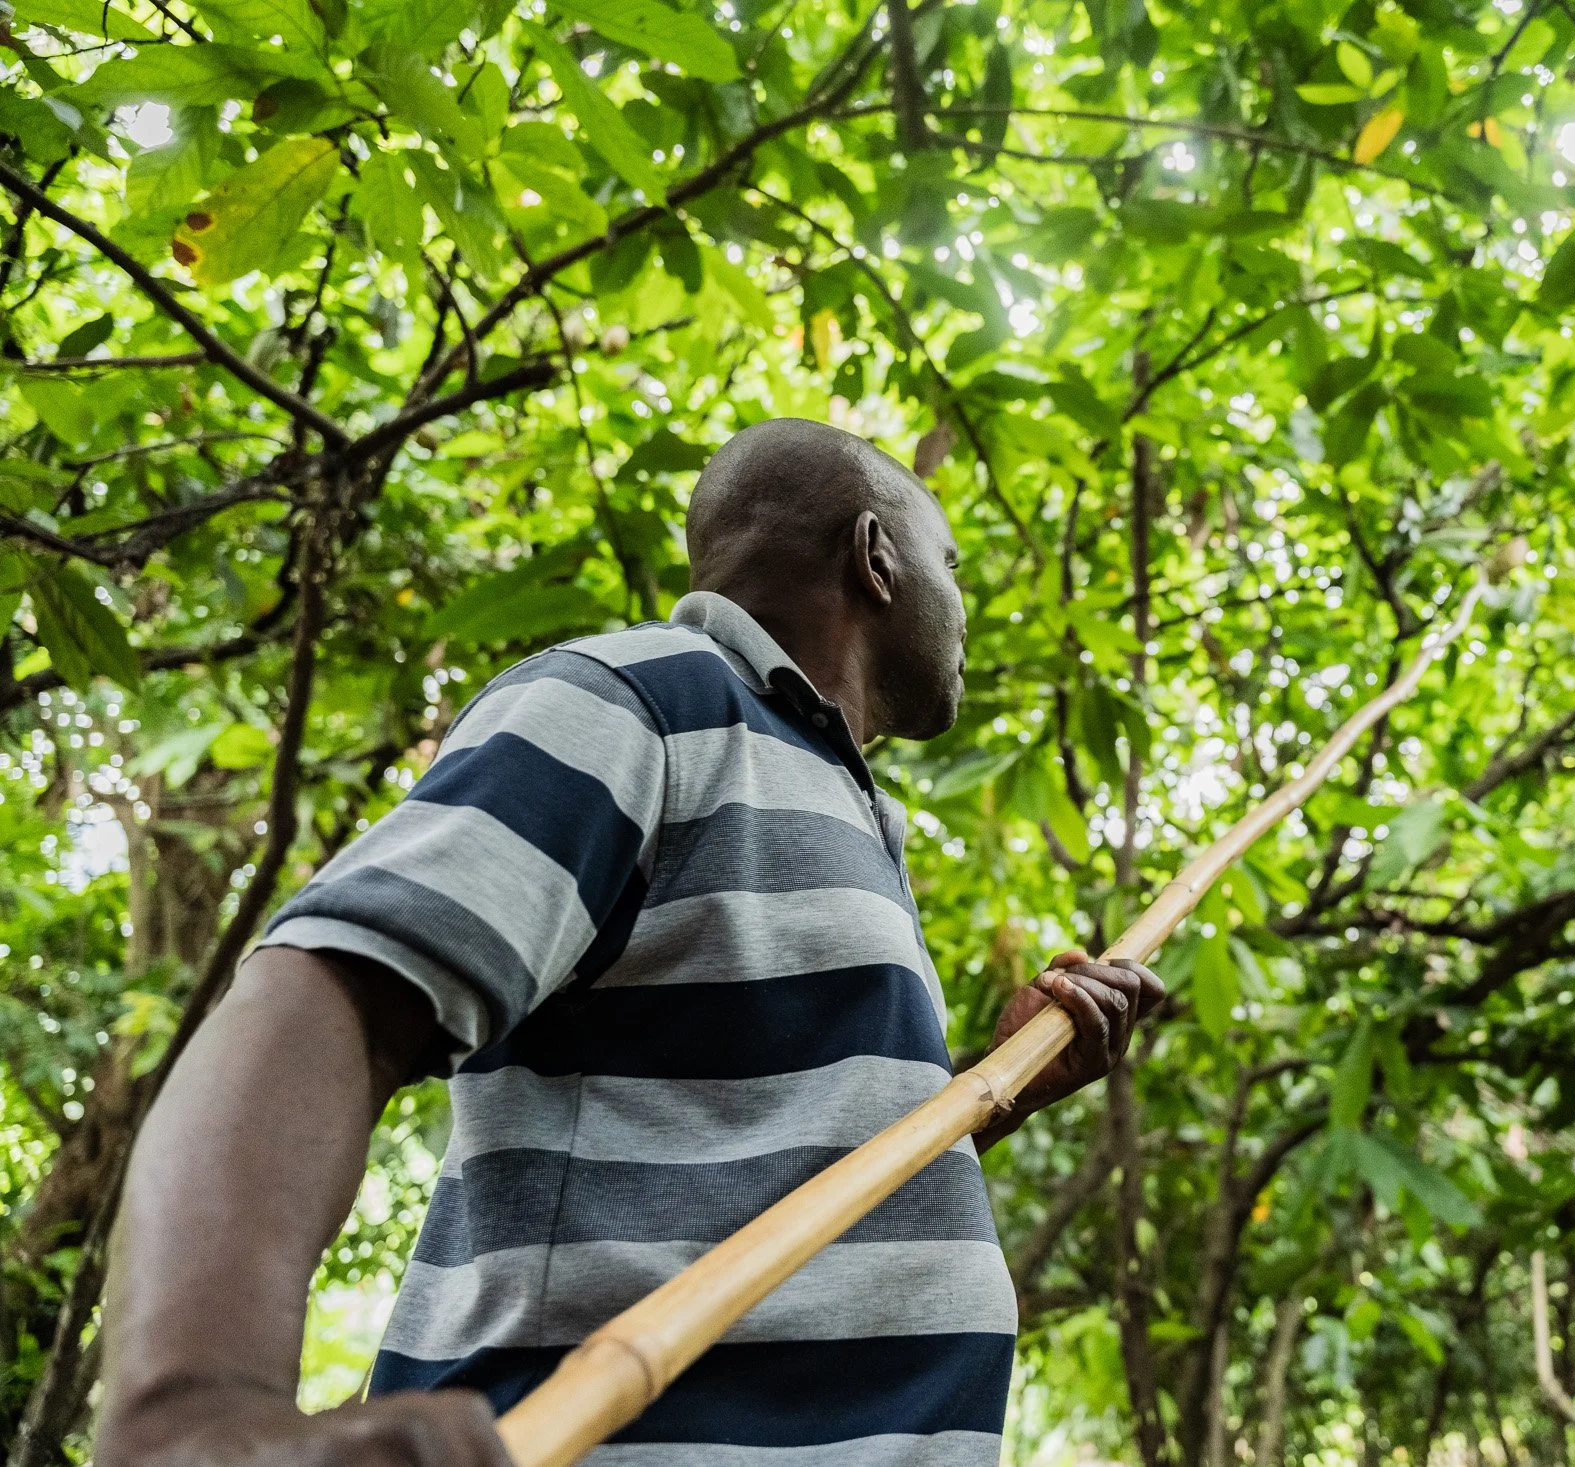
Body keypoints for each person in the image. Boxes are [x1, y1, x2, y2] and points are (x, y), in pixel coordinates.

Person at [96, 418, 1166, 1467]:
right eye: (951, 561)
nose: (964, 603)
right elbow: (325, 996)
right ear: (876, 558)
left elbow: (764, 1179)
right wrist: (196, 1410)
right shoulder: (650, 700)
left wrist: (997, 1087)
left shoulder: (833, 801)